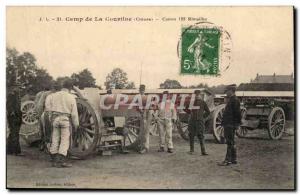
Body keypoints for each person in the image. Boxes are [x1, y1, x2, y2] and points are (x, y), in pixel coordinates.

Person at [48, 80, 79, 168]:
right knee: (65, 140)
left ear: (62, 86)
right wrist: (76, 125)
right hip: (65, 119)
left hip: (55, 119)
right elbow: (74, 114)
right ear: (69, 88)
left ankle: (54, 160)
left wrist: (51, 119)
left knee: (55, 138)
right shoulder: (71, 97)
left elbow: (49, 109)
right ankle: (61, 161)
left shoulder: (54, 96)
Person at [218, 84, 241, 166]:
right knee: (232, 142)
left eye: (227, 91)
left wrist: (237, 125)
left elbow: (238, 114)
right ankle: (234, 159)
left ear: (231, 91)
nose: (226, 93)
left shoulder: (234, 100)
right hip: (229, 124)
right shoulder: (232, 99)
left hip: (230, 124)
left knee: (229, 143)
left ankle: (227, 160)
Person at [186, 90, 210, 155]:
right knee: (191, 135)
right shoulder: (191, 102)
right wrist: (190, 113)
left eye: (198, 94)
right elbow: (186, 109)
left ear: (200, 95)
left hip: (200, 122)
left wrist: (202, 117)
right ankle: (191, 150)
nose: (197, 96)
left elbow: (208, 112)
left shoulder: (203, 102)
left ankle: (203, 151)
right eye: (195, 94)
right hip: (192, 121)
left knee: (201, 135)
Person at [6, 84, 23, 156]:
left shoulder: (16, 96)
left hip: (16, 116)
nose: (19, 89)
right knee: (14, 133)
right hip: (14, 117)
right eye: (18, 88)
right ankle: (15, 151)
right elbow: (9, 105)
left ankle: (10, 150)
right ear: (14, 88)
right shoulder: (12, 95)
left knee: (13, 133)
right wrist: (12, 112)